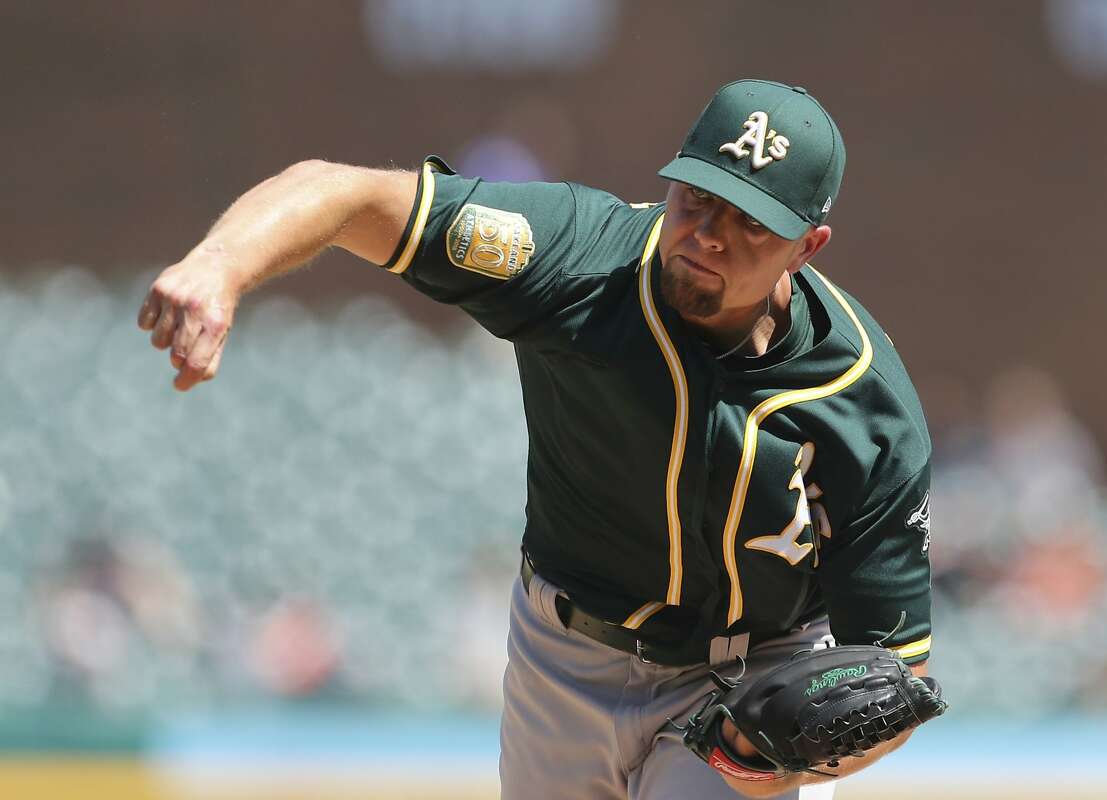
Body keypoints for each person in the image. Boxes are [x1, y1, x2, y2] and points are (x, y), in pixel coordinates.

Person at [138, 79, 936, 799]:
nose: (707, 236)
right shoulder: (573, 255)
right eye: (699, 199)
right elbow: (341, 194)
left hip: (750, 673)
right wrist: (220, 265)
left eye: (749, 224)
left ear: (808, 245)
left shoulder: (865, 403)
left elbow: (893, 678)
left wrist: (795, 761)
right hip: (564, 661)